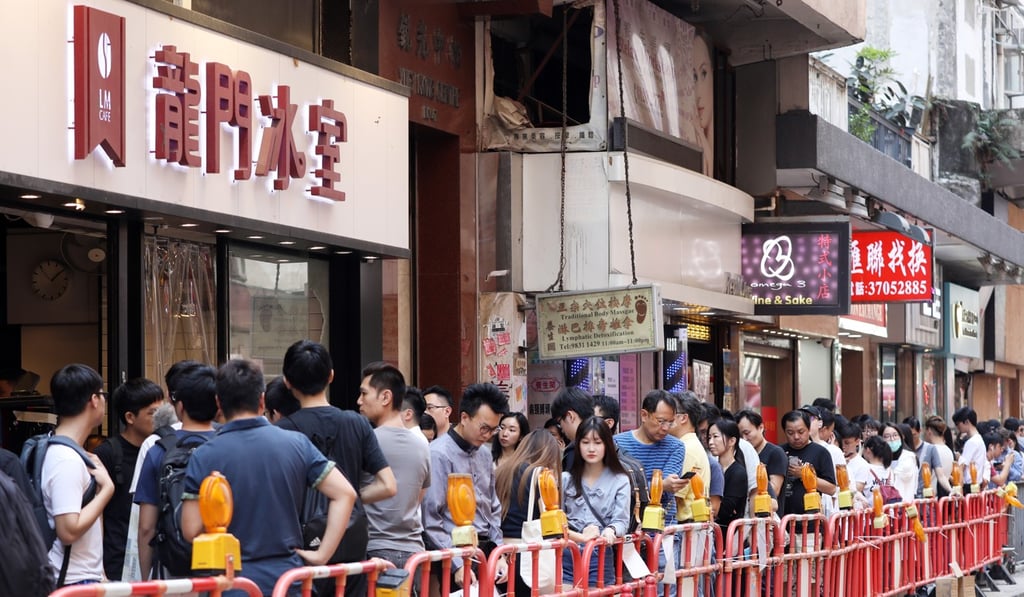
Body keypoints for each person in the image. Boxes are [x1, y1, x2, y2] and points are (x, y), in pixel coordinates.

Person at [181, 359, 357, 596]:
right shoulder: (296, 444)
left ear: (218, 403)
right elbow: (345, 493)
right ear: (262, 399)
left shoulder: (204, 456)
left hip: (231, 582)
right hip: (287, 581)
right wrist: (322, 554)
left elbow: (191, 530)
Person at [280, 341, 397, 597]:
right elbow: (388, 485)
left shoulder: (282, 431)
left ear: (287, 382)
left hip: (304, 541)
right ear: (331, 376)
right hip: (351, 538)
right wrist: (352, 495)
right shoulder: (356, 423)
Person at [133, 363, 219, 581]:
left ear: (179, 407)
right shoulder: (230, 445)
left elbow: (146, 527)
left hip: (173, 569)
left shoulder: (159, 449)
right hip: (224, 568)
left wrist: (146, 580)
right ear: (218, 404)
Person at [422, 383, 510, 589]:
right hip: (455, 553)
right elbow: (431, 517)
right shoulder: (438, 454)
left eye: (493, 429)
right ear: (464, 418)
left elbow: (493, 507)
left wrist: (499, 553)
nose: (488, 435)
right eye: (484, 428)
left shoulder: (486, 454)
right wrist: (457, 564)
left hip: (486, 551)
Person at [357, 362, 431, 584]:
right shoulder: (422, 445)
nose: (359, 401)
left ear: (386, 397)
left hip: (375, 551)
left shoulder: (366, 441)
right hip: (414, 554)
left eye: (364, 393)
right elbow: (418, 497)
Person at [42, 364, 115, 585]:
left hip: (79, 577)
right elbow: (68, 530)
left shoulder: (62, 451)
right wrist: (108, 490)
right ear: (94, 400)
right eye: (103, 395)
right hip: (71, 581)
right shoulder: (66, 459)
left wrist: (100, 573)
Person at [93, 378, 163, 580]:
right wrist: (100, 569)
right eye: (152, 413)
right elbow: (98, 514)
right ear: (130, 417)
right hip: (117, 563)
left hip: (153, 561)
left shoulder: (162, 450)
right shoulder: (107, 453)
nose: (160, 419)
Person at [562, 417, 630, 588]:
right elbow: (556, 522)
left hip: (600, 555)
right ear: (578, 445)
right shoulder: (565, 479)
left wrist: (611, 529)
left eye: (598, 442)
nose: (591, 448)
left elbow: (622, 520)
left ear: (607, 444)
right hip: (566, 555)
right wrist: (579, 537)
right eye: (585, 442)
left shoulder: (620, 480)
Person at [496, 430, 562, 596]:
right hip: (528, 555)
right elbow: (554, 526)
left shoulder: (502, 471)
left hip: (500, 555)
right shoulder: (541, 476)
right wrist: (582, 537)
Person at [613, 390, 687, 520]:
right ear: (644, 415)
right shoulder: (617, 443)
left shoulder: (676, 447)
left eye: (670, 423)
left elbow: (665, 491)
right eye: (661, 421)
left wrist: (662, 486)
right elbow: (618, 489)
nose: (665, 428)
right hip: (628, 525)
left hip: (663, 528)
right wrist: (661, 485)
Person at [779, 410, 836, 517]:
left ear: (809, 429)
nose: (796, 437)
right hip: (782, 521)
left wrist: (805, 475)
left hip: (810, 520)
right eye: (790, 433)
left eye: (801, 432)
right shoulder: (779, 452)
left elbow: (831, 489)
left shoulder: (821, 452)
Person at [669, 393, 709, 524]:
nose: (666, 419)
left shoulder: (686, 448)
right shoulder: (691, 444)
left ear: (683, 418)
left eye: (671, 414)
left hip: (686, 526)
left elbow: (676, 495)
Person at [737, 409, 787, 498]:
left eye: (747, 433)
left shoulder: (775, 453)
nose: (744, 439)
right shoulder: (740, 454)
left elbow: (775, 491)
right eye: (740, 436)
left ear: (761, 428)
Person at [708, 419, 747, 531]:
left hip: (727, 534)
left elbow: (725, 511)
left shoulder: (738, 472)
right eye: (709, 437)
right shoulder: (712, 467)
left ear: (732, 441)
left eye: (715, 436)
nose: (711, 442)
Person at [551, 387, 595, 469]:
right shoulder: (608, 442)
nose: (562, 430)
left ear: (570, 416)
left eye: (560, 422)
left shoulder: (575, 450)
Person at [902, 416, 944, 499]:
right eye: (908, 436)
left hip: (924, 500)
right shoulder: (901, 452)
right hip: (906, 499)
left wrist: (951, 490)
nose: (910, 439)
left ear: (920, 431)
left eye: (913, 435)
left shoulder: (930, 449)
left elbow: (941, 476)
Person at [953, 407, 991, 490]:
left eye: (958, 424)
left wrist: (959, 489)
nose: (957, 427)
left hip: (969, 486)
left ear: (967, 422)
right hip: (977, 484)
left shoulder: (971, 442)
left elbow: (962, 466)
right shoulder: (979, 440)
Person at [881, 423, 918, 504]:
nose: (892, 439)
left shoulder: (908, 457)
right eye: (887, 436)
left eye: (895, 435)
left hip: (904, 505)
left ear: (901, 437)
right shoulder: (880, 459)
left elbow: (897, 478)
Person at [855, 436, 894, 506]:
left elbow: (856, 490)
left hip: (871, 514)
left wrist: (858, 456)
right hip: (888, 511)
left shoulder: (865, 468)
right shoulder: (889, 470)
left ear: (868, 450)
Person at [924, 416, 955, 497]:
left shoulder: (930, 450)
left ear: (929, 431)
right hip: (942, 497)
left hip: (930, 497)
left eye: (925, 431)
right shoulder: (949, 451)